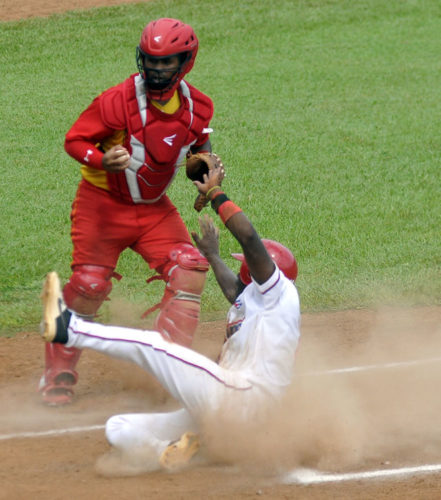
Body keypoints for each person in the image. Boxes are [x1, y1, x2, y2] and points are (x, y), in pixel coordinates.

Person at [39, 162, 300, 472]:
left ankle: (69, 328)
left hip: (242, 396)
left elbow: (250, 239)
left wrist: (216, 193)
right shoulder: (260, 302)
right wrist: (213, 255)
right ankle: (168, 452)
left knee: (154, 345)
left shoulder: (279, 292)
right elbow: (235, 291)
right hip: (234, 411)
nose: (245, 268)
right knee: (119, 427)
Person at [39, 18, 215, 406]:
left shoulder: (198, 108)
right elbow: (75, 140)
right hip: (102, 205)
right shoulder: (116, 102)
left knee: (189, 269)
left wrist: (205, 171)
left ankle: (168, 368)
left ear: (185, 61)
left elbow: (196, 149)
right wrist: (102, 159)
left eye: (166, 63)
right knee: (89, 285)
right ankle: (57, 372)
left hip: (153, 211)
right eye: (150, 61)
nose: (156, 70)